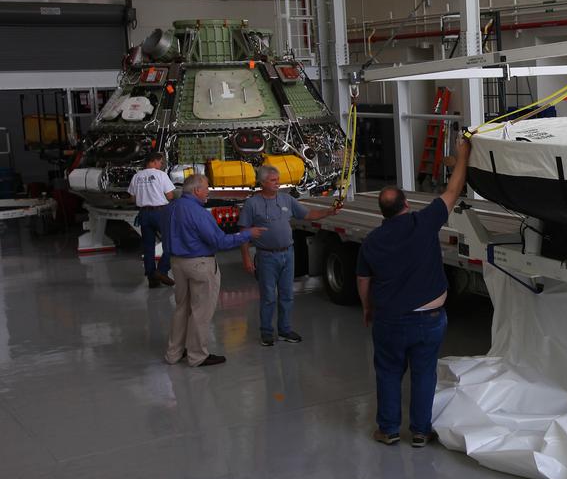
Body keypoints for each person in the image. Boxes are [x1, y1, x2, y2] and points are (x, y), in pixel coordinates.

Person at [357, 136, 470, 447]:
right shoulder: (424, 222)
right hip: (429, 320)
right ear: (407, 204)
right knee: (424, 374)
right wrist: (463, 155)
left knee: (388, 373)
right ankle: (420, 431)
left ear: (383, 212)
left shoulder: (371, 241)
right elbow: (452, 191)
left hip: (389, 320)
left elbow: (363, 280)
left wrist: (367, 308)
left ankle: (389, 430)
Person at [167, 173, 265, 367]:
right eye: (206, 188)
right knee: (201, 311)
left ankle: (174, 353)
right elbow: (219, 241)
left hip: (177, 263)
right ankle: (197, 356)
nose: (208, 192)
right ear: (196, 190)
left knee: (181, 308)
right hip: (199, 265)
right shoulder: (199, 213)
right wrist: (247, 234)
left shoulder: (172, 208)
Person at [239, 165, 340, 346]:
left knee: (287, 295)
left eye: (278, 180)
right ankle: (266, 332)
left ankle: (285, 330)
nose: (277, 183)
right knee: (268, 297)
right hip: (266, 257)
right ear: (262, 182)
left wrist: (329, 212)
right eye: (273, 180)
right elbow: (244, 232)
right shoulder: (252, 204)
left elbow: (307, 214)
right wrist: (246, 257)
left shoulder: (286, 199)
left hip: (287, 254)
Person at [127, 151, 177, 288]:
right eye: (161, 162)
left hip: (144, 213)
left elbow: (132, 198)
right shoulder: (161, 175)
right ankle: (161, 271)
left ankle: (152, 278)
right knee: (172, 241)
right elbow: (170, 196)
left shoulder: (137, 176)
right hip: (160, 213)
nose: (161, 165)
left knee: (148, 246)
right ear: (154, 161)